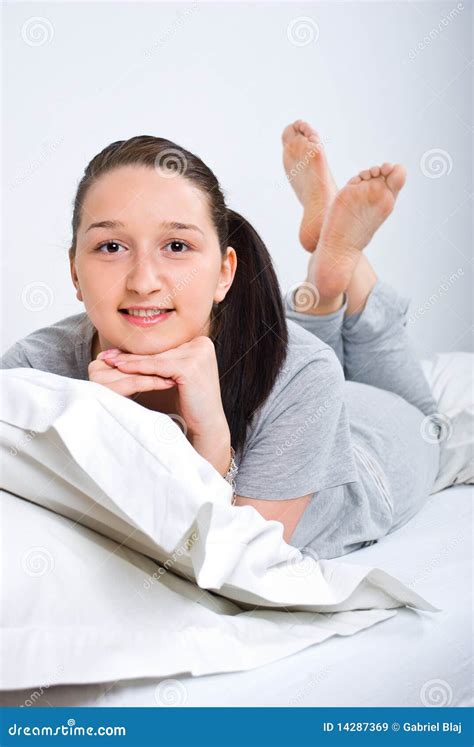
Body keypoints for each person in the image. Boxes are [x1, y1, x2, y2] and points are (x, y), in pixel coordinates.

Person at [0, 121, 441, 559]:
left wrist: (211, 437)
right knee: (293, 345)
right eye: (112, 247)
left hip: (368, 451)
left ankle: (332, 285)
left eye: (176, 246)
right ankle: (321, 293)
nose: (144, 282)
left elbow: (233, 562)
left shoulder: (306, 376)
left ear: (224, 273)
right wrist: (95, 421)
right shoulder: (32, 374)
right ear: (75, 272)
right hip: (297, 389)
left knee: (432, 425)